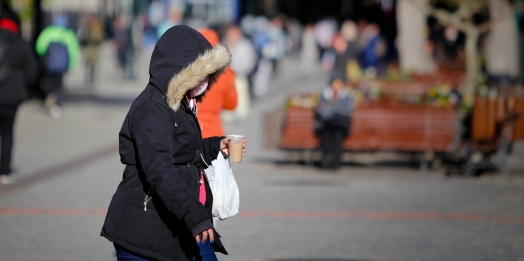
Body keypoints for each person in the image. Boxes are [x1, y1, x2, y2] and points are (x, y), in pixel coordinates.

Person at [100, 25, 247, 261]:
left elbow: (181, 151)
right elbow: (159, 167)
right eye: (201, 73)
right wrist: (195, 215)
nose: (206, 80)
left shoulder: (180, 103)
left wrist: (213, 146)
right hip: (146, 229)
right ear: (182, 71)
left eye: (209, 74)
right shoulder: (151, 107)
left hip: (179, 221)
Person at [0, 21, 38, 184]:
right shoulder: (20, 44)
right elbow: (32, 72)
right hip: (11, 95)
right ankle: (4, 172)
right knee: (7, 134)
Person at [35, 14, 81, 118]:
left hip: (49, 64)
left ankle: (50, 97)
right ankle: (57, 104)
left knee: (49, 83)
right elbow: (74, 52)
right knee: (59, 85)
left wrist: (43, 57)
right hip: (62, 67)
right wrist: (72, 65)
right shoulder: (69, 35)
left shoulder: (48, 32)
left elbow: (39, 47)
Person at [196, 28, 238, 138]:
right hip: (213, 135)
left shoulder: (182, 71)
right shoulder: (225, 73)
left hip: (186, 137)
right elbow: (232, 104)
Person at [314, 72, 353, 169]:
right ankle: (324, 160)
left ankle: (336, 161)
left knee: (337, 136)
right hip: (326, 123)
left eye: (339, 83)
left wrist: (332, 107)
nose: (337, 86)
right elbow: (320, 108)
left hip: (340, 124)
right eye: (335, 83)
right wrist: (332, 108)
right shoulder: (325, 94)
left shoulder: (346, 95)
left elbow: (347, 110)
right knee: (325, 135)